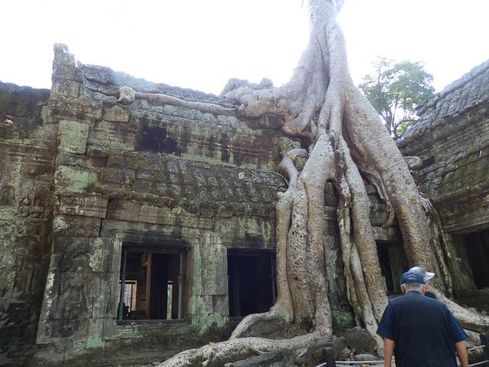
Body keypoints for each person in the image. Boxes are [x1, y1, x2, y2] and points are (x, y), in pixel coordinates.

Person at [377, 267, 469, 367]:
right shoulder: (440, 307)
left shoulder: (393, 306)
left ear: (402, 288)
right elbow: (459, 340)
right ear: (423, 287)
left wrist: (387, 365)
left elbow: (389, 339)